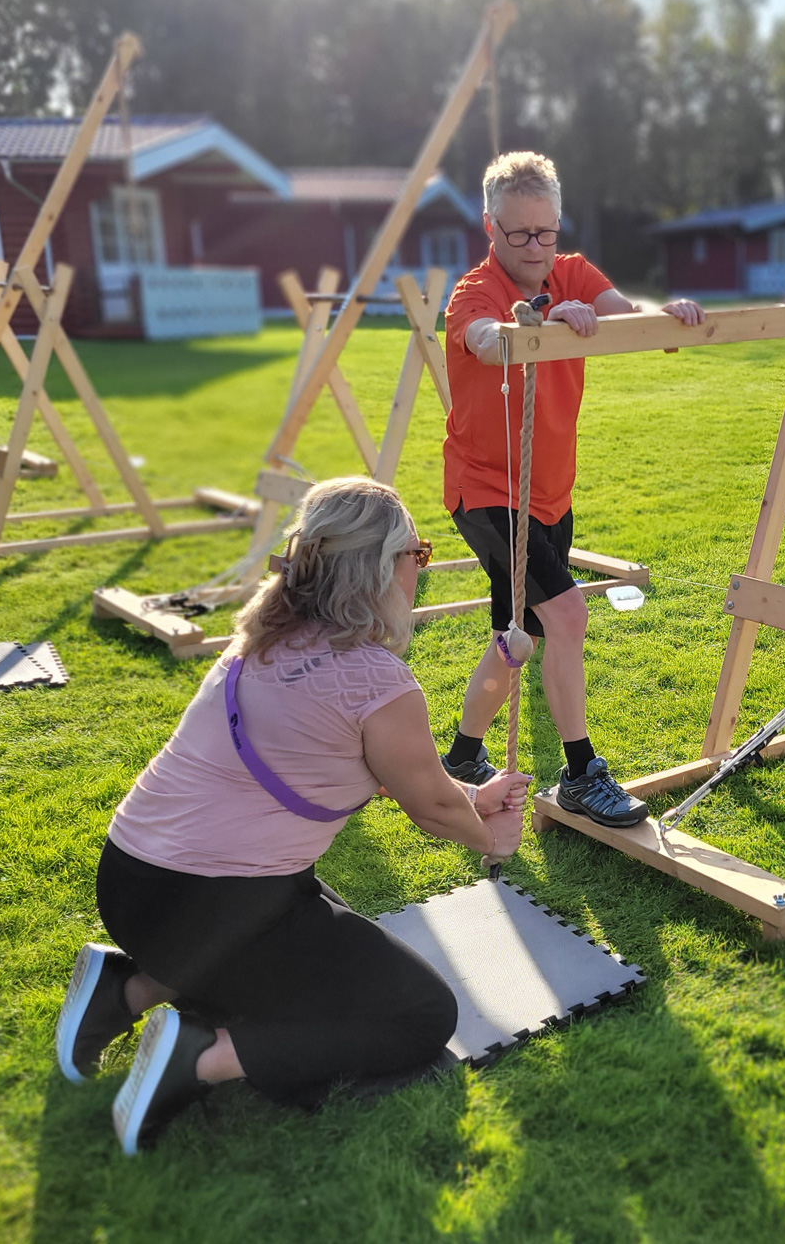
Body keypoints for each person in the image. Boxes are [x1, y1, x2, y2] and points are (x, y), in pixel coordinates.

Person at [54, 477, 531, 1155]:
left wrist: (472, 799)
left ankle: (129, 987)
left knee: (307, 930)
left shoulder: (263, 638)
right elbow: (429, 806)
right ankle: (201, 1056)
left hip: (132, 883)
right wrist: (490, 835)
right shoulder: (375, 681)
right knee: (421, 1014)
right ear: (380, 567)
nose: (419, 569)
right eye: (416, 553)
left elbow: (392, 774)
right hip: (208, 902)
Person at [439, 151, 704, 827]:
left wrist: (665, 315)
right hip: (488, 491)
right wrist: (541, 324)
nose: (534, 249)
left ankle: (464, 755)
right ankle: (583, 773)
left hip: (550, 493)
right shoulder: (474, 292)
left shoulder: (574, 272)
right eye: (519, 234)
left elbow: (627, 316)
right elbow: (485, 339)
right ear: (489, 224)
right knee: (567, 616)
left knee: (518, 633)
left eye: (546, 232)